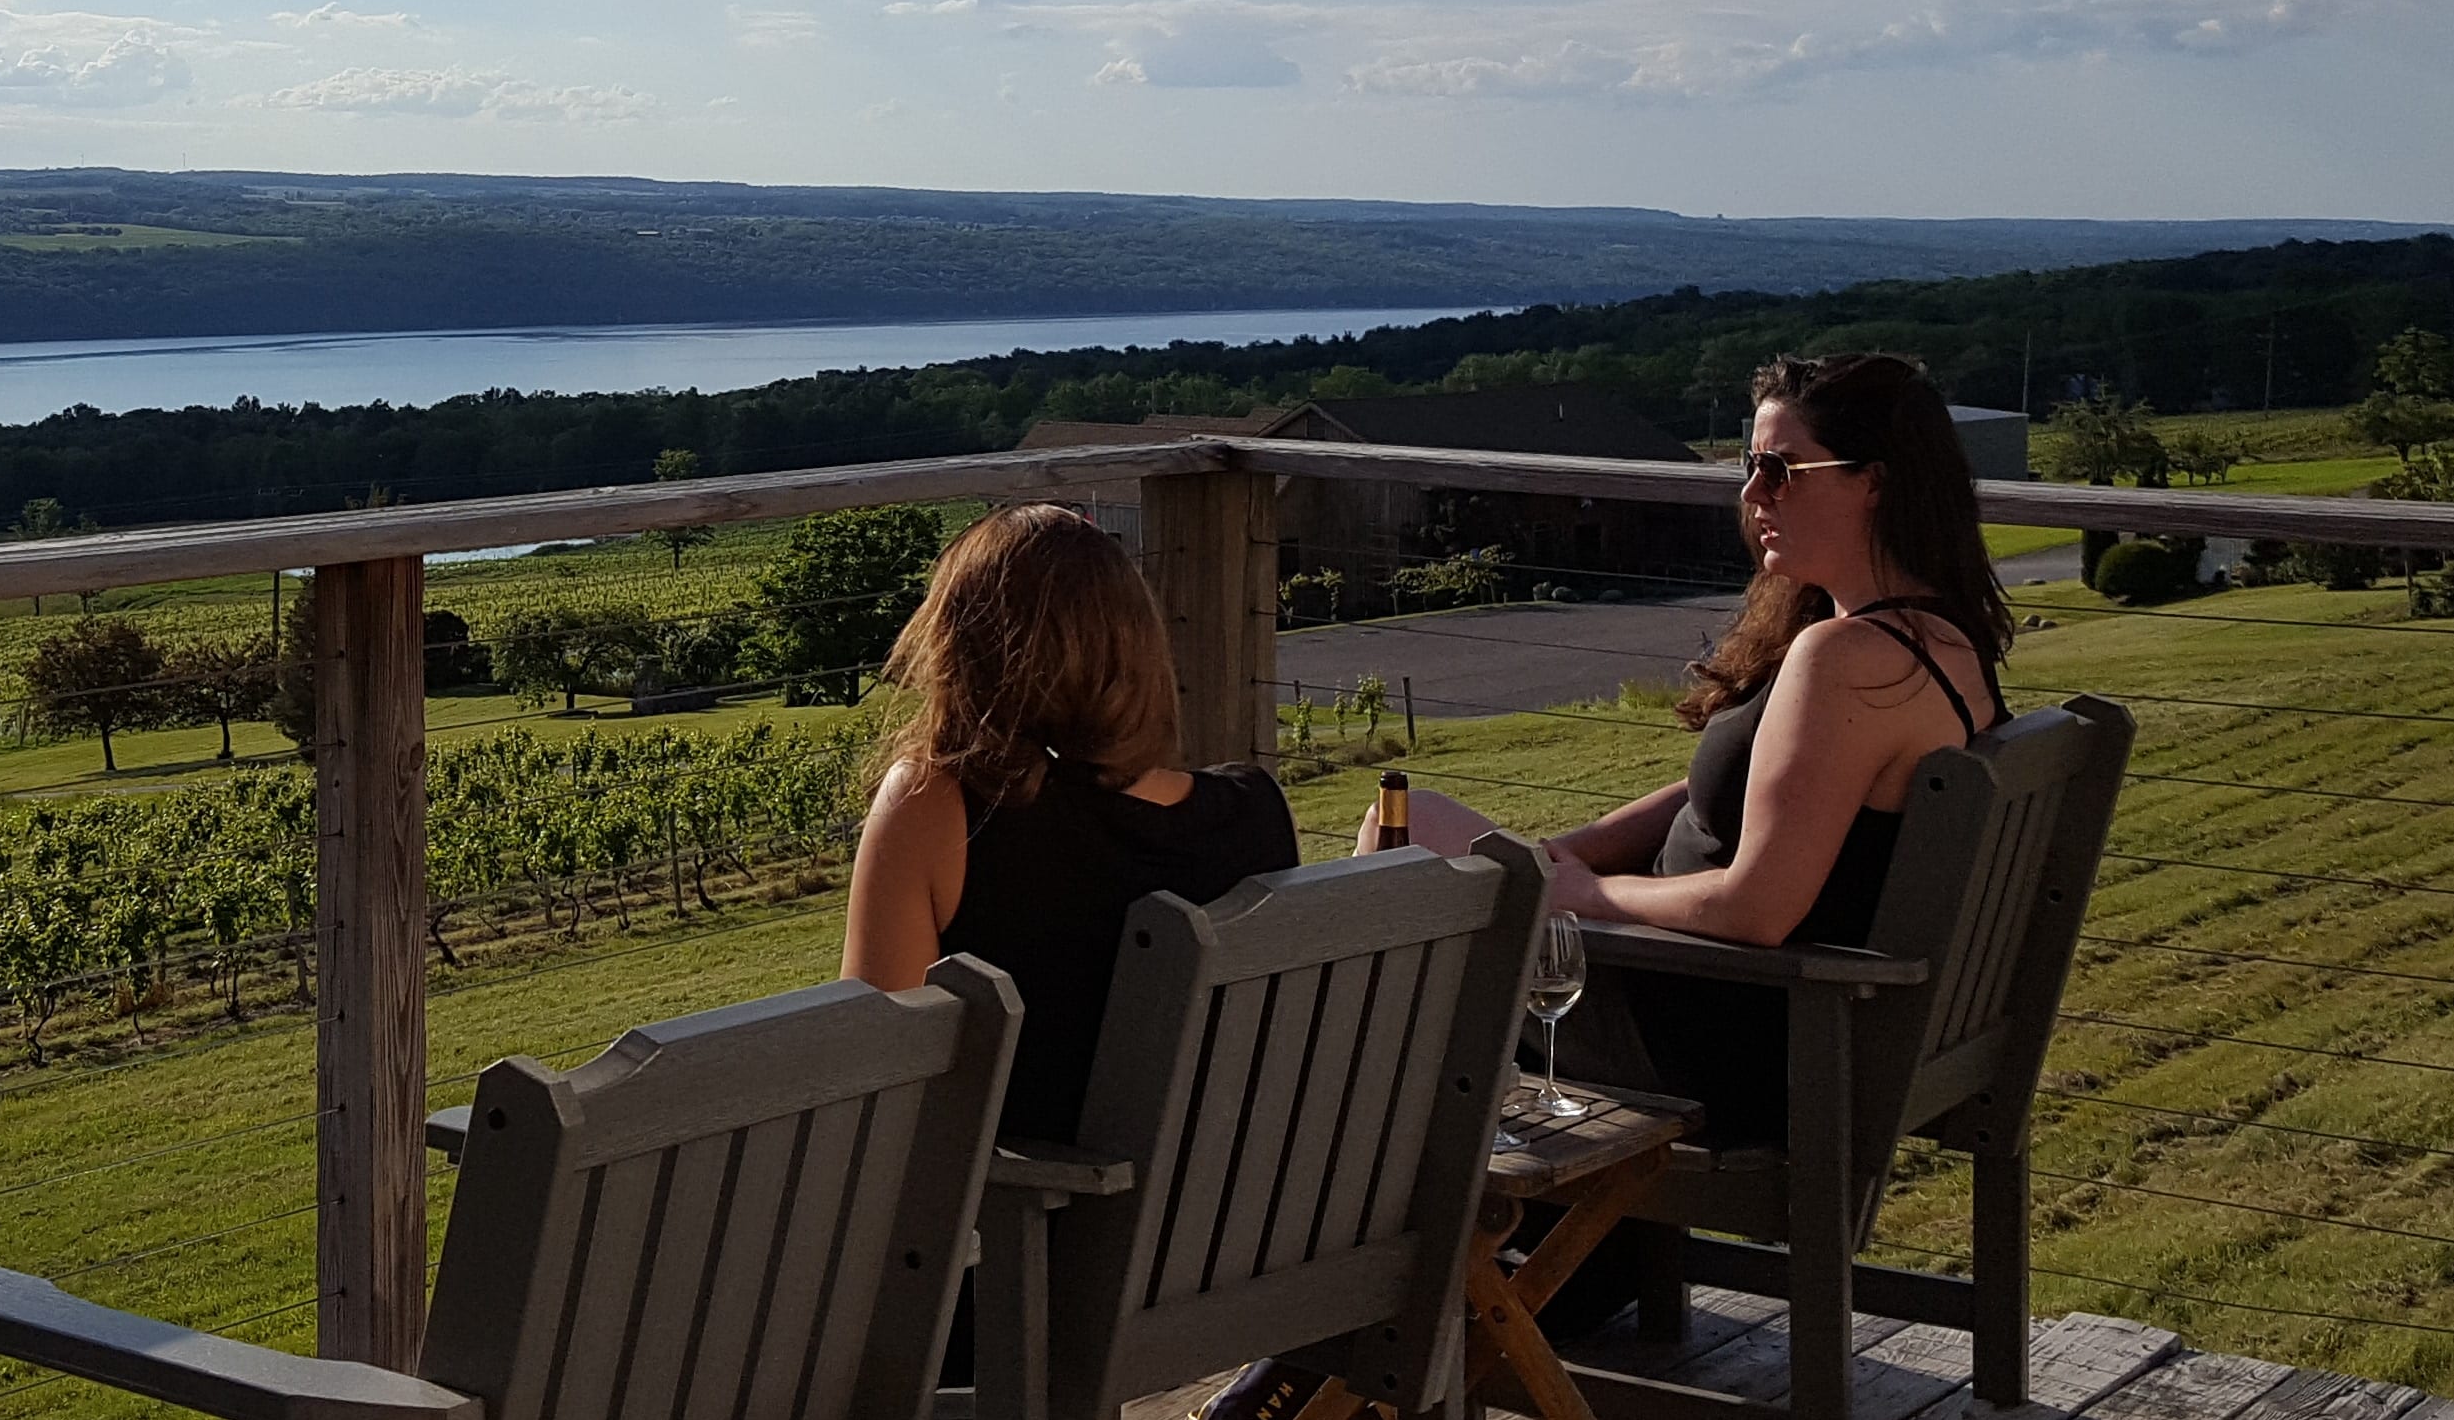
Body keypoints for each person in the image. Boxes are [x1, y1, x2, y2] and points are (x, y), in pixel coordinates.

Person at [1367, 351, 2012, 1149]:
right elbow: (1742, 797)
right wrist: (1564, 856)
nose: (1752, 495)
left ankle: (1458, 1235)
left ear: (1874, 481)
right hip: (1728, 1007)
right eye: (1750, 466)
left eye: (1781, 470)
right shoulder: (1938, 640)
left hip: (1708, 1033)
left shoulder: (1847, 658)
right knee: (1412, 821)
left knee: (1388, 902)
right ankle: (1549, 1251)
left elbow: (1757, 909)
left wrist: (1582, 898)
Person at [844, 502, 1301, 1146]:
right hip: (1248, 1217)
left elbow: (869, 1071)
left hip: (1035, 1227)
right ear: (1140, 643)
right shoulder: (1256, 813)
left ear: (963, 651)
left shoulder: (936, 807)